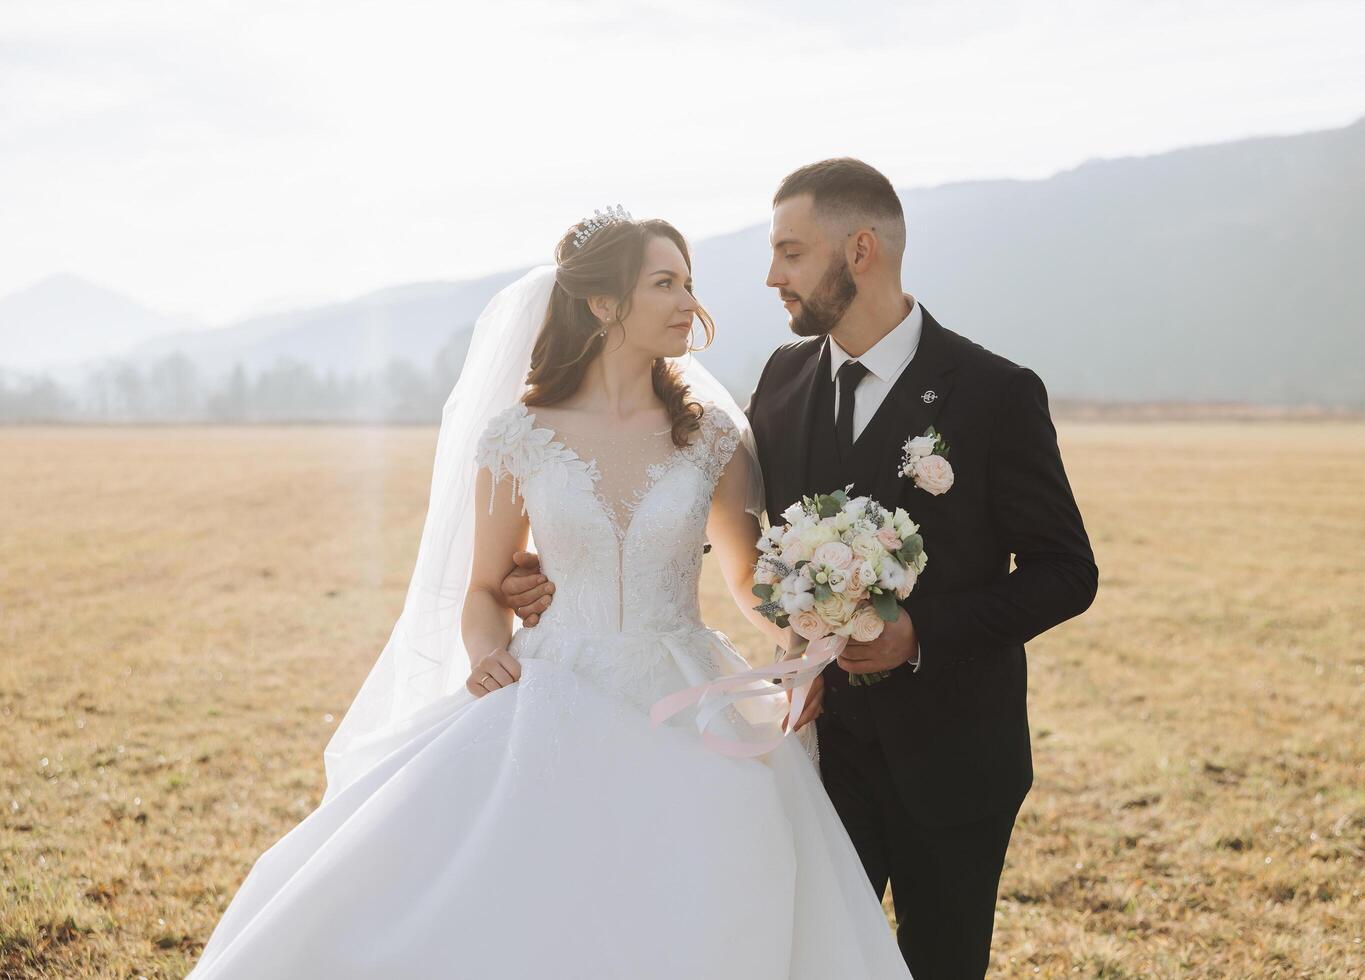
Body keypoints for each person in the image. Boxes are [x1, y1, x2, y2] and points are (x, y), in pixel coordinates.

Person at [185, 209, 912, 978]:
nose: (687, 303)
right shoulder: (518, 434)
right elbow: (483, 589)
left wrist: (810, 641)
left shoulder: (711, 437)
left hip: (691, 690)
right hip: (554, 689)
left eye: (689, 283)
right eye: (664, 283)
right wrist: (486, 654)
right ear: (603, 304)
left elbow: (741, 575)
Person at [506, 160, 1099, 979]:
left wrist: (918, 633)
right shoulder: (781, 384)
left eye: (789, 252)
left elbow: (1067, 571)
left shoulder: (994, 393)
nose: (770, 276)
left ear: (860, 251)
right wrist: (568, 562)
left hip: (956, 759)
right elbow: (729, 533)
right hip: (815, 753)